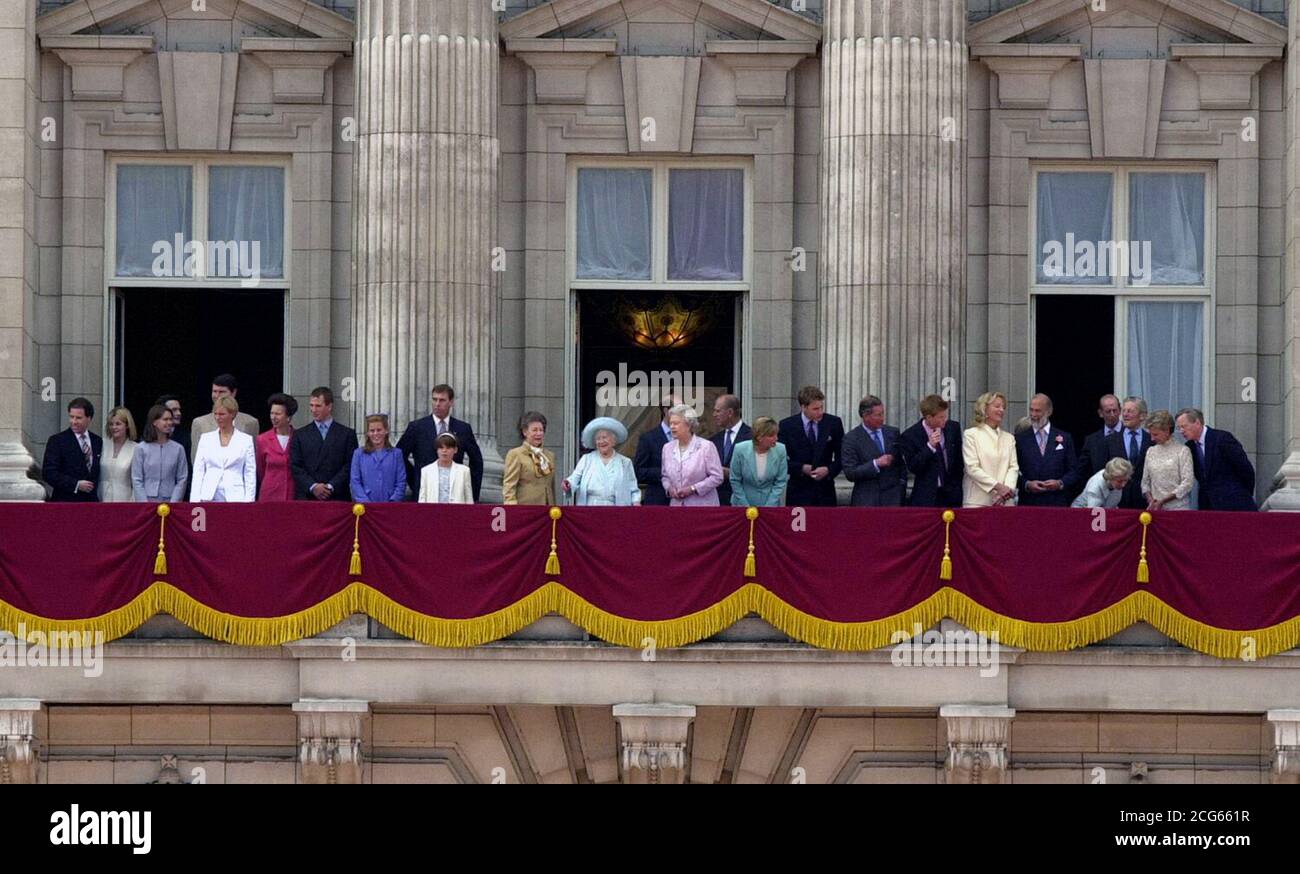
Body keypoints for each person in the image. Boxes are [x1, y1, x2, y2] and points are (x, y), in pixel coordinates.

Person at [397, 384, 484, 502]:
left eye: (442, 400)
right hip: (426, 494)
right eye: (434, 399)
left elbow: (476, 460)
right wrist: (415, 478)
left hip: (455, 495)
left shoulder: (463, 429)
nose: (437, 404)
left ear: (451, 402)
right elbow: (399, 456)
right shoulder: (417, 427)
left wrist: (470, 490)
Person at [1176, 407, 1257, 511]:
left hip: (1235, 504)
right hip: (1208, 508)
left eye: (1184, 426)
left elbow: (1245, 469)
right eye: (1179, 428)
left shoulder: (1222, 438)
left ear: (1197, 422)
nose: (1181, 431)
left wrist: (1242, 494)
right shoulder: (1189, 447)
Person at [778, 385, 844, 507]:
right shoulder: (787, 426)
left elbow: (842, 456)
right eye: (815, 409)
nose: (820, 412)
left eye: (821, 407)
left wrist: (829, 470)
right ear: (803, 407)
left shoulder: (833, 423)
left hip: (825, 491)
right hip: (799, 491)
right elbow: (779, 460)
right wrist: (802, 468)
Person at [289, 387, 357, 501]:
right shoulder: (299, 435)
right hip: (308, 497)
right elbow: (295, 466)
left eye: (318, 406)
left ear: (329, 406)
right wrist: (313, 486)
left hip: (337, 496)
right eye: (311, 405)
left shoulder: (347, 434)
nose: (313, 410)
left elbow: (350, 465)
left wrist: (331, 486)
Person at [899, 394, 964, 508]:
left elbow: (959, 461)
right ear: (929, 418)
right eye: (941, 417)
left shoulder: (953, 428)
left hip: (952, 495)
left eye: (945, 415)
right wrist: (930, 447)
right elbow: (913, 466)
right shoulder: (910, 435)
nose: (945, 420)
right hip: (927, 497)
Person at [1015, 393, 1078, 507]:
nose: (1033, 414)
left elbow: (1074, 471)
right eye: (1031, 410)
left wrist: (1060, 483)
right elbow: (1013, 471)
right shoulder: (1020, 439)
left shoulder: (1065, 438)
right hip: (1029, 503)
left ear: (1049, 412)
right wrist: (1027, 484)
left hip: (1056, 502)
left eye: (1038, 411)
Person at [190, 396, 257, 502]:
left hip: (236, 497)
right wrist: (194, 500)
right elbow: (198, 471)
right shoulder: (206, 439)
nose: (218, 417)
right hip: (208, 496)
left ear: (232, 414)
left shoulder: (245, 440)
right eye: (215, 414)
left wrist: (249, 501)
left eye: (222, 414)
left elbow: (250, 473)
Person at [842, 395, 905, 507]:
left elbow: (901, 464)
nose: (882, 418)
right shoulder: (851, 439)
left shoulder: (893, 433)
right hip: (867, 501)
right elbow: (850, 472)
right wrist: (876, 464)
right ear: (866, 416)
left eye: (883, 413)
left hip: (893, 500)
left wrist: (901, 486)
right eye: (878, 415)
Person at [563, 417, 641, 506]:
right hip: (590, 507)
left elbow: (633, 487)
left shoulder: (625, 462)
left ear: (613, 441)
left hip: (616, 509)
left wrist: (636, 503)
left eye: (604, 437)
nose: (601, 441)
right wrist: (568, 483)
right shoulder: (587, 459)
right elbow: (575, 478)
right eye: (598, 439)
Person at [962, 391, 1019, 508]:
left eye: (1003, 407)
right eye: (997, 406)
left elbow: (1013, 467)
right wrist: (998, 487)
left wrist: (1006, 492)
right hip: (978, 501)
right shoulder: (971, 434)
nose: (1001, 410)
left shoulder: (1009, 438)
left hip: (1004, 502)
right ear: (985, 409)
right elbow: (972, 468)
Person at [660, 403, 724, 506]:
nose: (672, 427)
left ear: (689, 425)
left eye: (676, 423)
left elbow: (717, 477)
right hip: (677, 507)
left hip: (702, 507)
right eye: (670, 423)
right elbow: (665, 476)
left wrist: (693, 488)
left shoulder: (706, 446)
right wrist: (669, 488)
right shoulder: (667, 448)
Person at [189, 374, 260, 464]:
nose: (217, 395)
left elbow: (253, 460)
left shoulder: (250, 423)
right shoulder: (200, 423)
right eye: (214, 391)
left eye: (222, 392)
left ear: (233, 392)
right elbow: (196, 460)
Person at [42, 397, 102, 502]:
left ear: (89, 418)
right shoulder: (57, 441)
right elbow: (49, 473)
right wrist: (76, 484)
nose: (73, 421)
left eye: (78, 418)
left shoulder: (98, 441)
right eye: (71, 417)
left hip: (91, 505)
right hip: (65, 503)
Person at [1140, 410, 1194, 511]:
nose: (1152, 438)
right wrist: (1150, 500)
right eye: (1150, 434)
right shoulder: (1151, 451)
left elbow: (1187, 483)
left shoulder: (1182, 451)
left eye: (1155, 434)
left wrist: (1163, 500)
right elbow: (1145, 482)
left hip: (1178, 509)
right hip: (1155, 508)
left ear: (1167, 431)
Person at [728, 416, 788, 507]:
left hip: (771, 505)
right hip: (741, 504)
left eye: (776, 434)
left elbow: (780, 481)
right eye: (772, 435)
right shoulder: (740, 449)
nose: (776, 438)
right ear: (760, 437)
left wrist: (770, 505)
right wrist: (745, 505)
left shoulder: (781, 450)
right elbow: (735, 480)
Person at [132, 404, 188, 502]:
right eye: (165, 419)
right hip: (147, 500)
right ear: (154, 422)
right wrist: (144, 504)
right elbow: (137, 479)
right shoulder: (141, 448)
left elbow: (182, 479)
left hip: (170, 500)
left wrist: (174, 502)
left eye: (170, 419)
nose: (169, 422)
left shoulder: (178, 449)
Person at [1105, 396, 1152, 509]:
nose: (1125, 414)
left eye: (1130, 411)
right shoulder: (1110, 440)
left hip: (1143, 500)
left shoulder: (1151, 440)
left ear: (1142, 415)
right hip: (1117, 500)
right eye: (1124, 411)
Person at [350, 414, 407, 503]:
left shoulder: (396, 454)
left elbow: (401, 482)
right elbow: (355, 481)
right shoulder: (358, 454)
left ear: (386, 431)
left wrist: (393, 501)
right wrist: (365, 502)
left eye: (379, 430)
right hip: (366, 507)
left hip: (390, 506)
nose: (376, 434)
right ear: (368, 433)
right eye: (372, 431)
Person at [503, 411, 557, 505]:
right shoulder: (516, 454)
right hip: (525, 509)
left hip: (547, 511)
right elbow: (509, 486)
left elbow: (551, 487)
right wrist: (511, 510)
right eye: (535, 430)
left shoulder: (549, 456)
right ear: (525, 432)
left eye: (541, 430)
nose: (539, 433)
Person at [633, 395, 678, 506]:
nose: (683, 414)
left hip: (684, 500)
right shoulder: (648, 438)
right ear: (666, 410)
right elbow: (639, 472)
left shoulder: (687, 437)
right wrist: (664, 472)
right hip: (658, 500)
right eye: (678, 409)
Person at [710, 394, 752, 506]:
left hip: (743, 501)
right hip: (718, 501)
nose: (714, 415)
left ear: (730, 412)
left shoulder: (751, 437)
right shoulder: (713, 440)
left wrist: (731, 473)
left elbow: (756, 471)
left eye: (718, 411)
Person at [1073, 394, 1122, 487]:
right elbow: (1081, 470)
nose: (1112, 414)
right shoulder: (1092, 440)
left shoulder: (1129, 435)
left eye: (1115, 410)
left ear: (1120, 410)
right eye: (1108, 411)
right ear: (1100, 413)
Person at [256, 393, 297, 502]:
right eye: (272, 413)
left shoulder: (298, 438)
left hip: (292, 493)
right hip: (269, 494)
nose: (273, 417)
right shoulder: (262, 439)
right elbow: (260, 469)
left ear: (289, 416)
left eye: (278, 414)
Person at [97, 406, 138, 503]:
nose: (114, 427)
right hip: (101, 498)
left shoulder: (136, 448)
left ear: (127, 425)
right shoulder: (102, 444)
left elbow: (137, 481)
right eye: (111, 424)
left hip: (125, 500)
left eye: (118, 424)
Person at [418, 433, 474, 504]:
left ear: (455, 450)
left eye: (448, 448)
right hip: (433, 512)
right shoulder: (426, 471)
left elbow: (468, 498)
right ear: (437, 450)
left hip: (457, 512)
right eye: (441, 448)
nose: (444, 451)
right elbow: (422, 498)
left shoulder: (464, 471)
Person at [156, 394, 190, 472]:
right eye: (174, 410)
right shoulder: (148, 438)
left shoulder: (186, 438)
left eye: (179, 410)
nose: (179, 413)